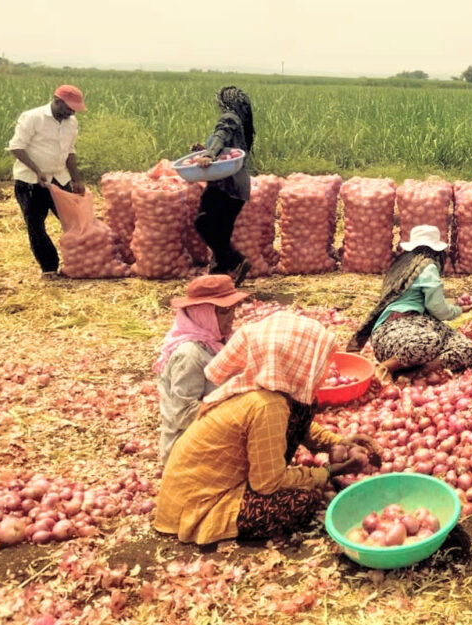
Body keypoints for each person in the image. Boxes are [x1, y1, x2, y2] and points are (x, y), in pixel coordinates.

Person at [155, 312, 379, 545]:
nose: (325, 370)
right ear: (296, 361)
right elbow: (267, 484)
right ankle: (213, 524)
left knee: (304, 411)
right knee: (303, 500)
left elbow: (298, 425)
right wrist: (329, 472)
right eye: (321, 361)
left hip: (194, 490)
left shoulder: (266, 390)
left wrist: (337, 442)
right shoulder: (268, 406)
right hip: (201, 504)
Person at [346, 225, 472, 376]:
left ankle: (416, 373)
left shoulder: (403, 264)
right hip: (399, 332)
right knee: (430, 341)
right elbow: (437, 308)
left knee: (467, 349)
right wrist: (459, 310)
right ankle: (385, 368)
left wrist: (453, 305)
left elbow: (426, 301)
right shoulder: (428, 266)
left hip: (396, 338)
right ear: (437, 250)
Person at [154, 275, 250, 464]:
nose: (232, 316)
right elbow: (183, 414)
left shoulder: (219, 342)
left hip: (215, 437)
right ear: (202, 313)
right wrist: (236, 414)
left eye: (232, 309)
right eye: (223, 311)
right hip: (188, 450)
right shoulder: (190, 354)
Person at [7, 85, 87, 278]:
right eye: (69, 107)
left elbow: (70, 152)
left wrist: (76, 179)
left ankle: (79, 263)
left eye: (75, 108)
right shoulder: (33, 117)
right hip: (31, 182)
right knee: (36, 225)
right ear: (57, 100)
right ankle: (49, 267)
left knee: (73, 222)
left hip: (60, 178)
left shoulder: (71, 122)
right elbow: (16, 147)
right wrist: (37, 171)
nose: (72, 111)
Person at [191, 86, 255, 285]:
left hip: (225, 184)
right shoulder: (242, 124)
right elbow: (228, 150)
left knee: (202, 223)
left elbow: (221, 135)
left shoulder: (229, 118)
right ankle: (219, 281)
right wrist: (205, 150)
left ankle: (236, 260)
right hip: (239, 187)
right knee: (221, 234)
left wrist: (209, 154)